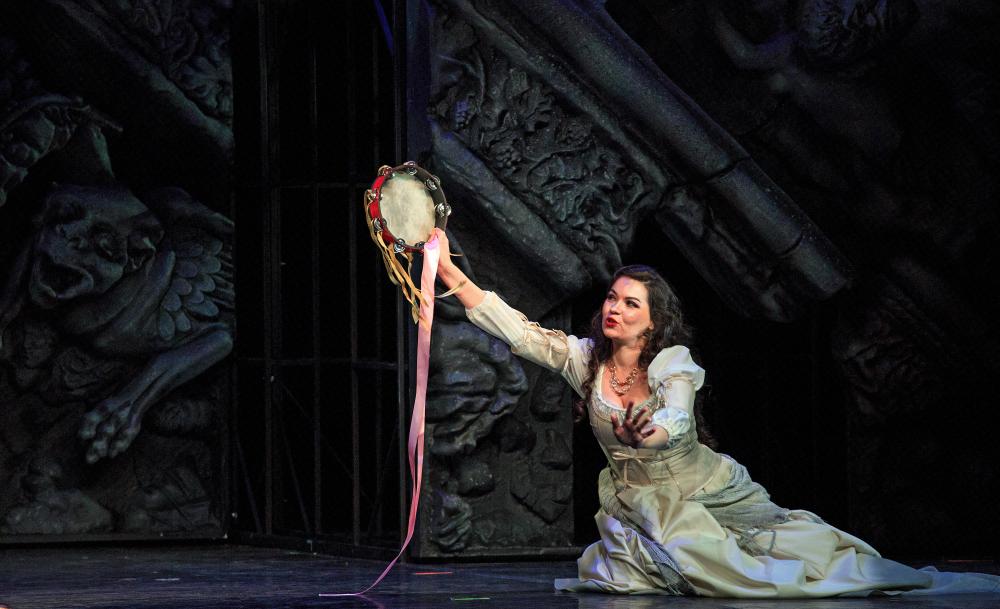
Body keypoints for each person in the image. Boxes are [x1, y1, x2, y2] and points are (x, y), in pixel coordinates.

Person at [432, 228, 1000, 597]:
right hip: (641, 503)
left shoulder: (671, 362)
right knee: (617, 575)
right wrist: (450, 272)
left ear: (653, 321)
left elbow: (677, 419)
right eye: (611, 298)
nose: (614, 308)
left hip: (701, 492)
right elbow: (519, 332)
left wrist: (647, 434)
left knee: (770, 567)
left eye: (630, 303)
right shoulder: (586, 362)